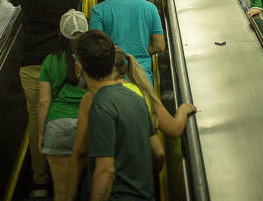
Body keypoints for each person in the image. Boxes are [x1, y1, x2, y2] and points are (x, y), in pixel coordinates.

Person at [67, 46, 195, 199]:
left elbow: (81, 152)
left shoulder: (95, 98)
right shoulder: (142, 93)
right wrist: (183, 109)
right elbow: (166, 142)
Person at [7, 0, 83, 198]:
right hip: (62, 60)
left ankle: (39, 180)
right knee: (65, 109)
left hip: (30, 63)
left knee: (35, 116)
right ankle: (71, 170)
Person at [69, 30, 164, 201]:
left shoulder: (100, 105)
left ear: (79, 68)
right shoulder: (137, 98)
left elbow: (106, 170)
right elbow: (158, 153)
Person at [38, 9, 90, 201]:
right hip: (89, 126)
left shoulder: (50, 60)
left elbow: (44, 101)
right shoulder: (93, 59)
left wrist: (42, 134)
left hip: (57, 127)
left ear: (60, 33)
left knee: (61, 193)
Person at [89, 0, 165, 85]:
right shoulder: (150, 8)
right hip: (143, 79)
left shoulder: (99, 11)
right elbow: (159, 45)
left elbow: (95, 50)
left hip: (112, 81)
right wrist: (138, 49)